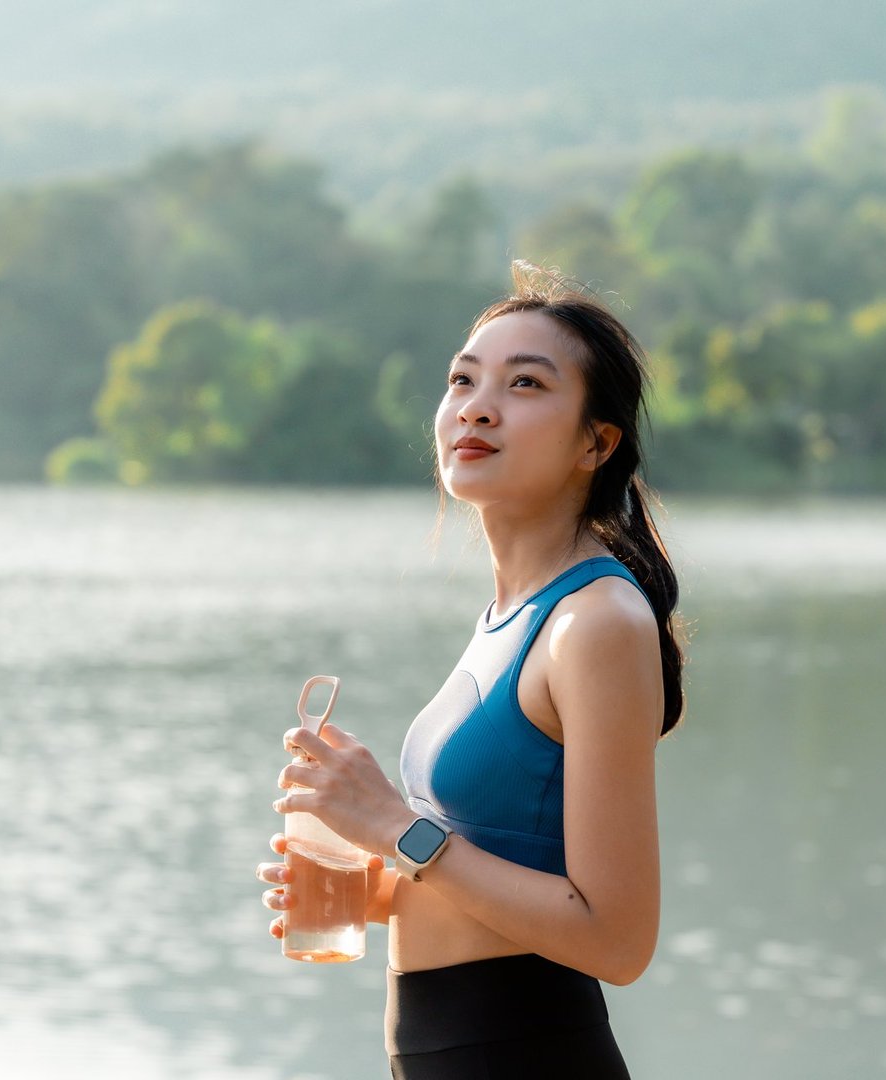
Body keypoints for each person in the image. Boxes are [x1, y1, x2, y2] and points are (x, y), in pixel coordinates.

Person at [256, 261, 686, 1079]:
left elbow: (617, 939)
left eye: (526, 385)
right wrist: (376, 892)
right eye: (463, 379)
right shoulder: (511, 614)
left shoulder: (596, 621)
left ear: (596, 443)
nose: (477, 406)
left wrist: (395, 828)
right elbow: (500, 863)